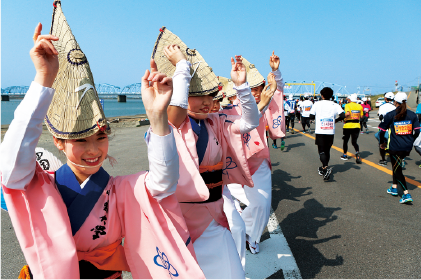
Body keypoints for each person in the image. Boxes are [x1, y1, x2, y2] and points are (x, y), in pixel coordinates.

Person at [0, 8, 205, 280]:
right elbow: (11, 163)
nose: (94, 150)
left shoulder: (120, 191)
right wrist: (43, 79)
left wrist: (157, 118)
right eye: (81, 141)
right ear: (58, 142)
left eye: (100, 137)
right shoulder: (41, 186)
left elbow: (163, 182)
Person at [152, 26, 266, 279]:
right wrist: (181, 68)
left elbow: (249, 122)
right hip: (179, 221)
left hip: (214, 216)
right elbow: (176, 110)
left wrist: (242, 87)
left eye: (209, 95)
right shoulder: (168, 127)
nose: (206, 102)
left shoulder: (216, 121)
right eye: (197, 95)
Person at [220, 53, 284, 256]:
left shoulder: (265, 102)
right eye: (251, 88)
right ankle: (237, 230)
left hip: (259, 160)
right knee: (231, 204)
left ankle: (251, 236)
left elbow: (277, 94)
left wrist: (276, 72)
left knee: (262, 204)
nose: (256, 93)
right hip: (234, 162)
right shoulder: (230, 108)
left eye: (258, 89)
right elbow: (247, 120)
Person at [379, 92, 420, 204]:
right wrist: (410, 139)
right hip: (407, 146)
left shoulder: (391, 114)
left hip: (395, 146)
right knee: (395, 165)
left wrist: (382, 142)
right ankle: (394, 187)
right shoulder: (412, 115)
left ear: (395, 101)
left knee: (397, 169)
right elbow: (417, 131)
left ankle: (406, 193)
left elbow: (382, 131)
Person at [310, 87, 345, 180]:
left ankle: (325, 167)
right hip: (330, 130)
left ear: (322, 95)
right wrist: (335, 120)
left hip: (320, 130)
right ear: (331, 95)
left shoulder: (317, 104)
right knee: (327, 150)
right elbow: (343, 115)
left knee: (321, 150)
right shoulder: (335, 104)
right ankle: (324, 168)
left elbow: (311, 116)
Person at [341, 94, 363, 163]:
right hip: (356, 125)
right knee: (354, 142)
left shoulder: (347, 105)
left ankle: (345, 155)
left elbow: (347, 114)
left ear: (350, 99)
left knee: (346, 140)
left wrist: (343, 117)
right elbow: (361, 116)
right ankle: (357, 152)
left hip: (348, 125)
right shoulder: (360, 106)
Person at [376, 92, 395, 166]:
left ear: (385, 98)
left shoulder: (382, 106)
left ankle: (383, 160)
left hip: (384, 128)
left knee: (382, 144)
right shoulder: (395, 106)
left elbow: (380, 117)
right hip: (393, 128)